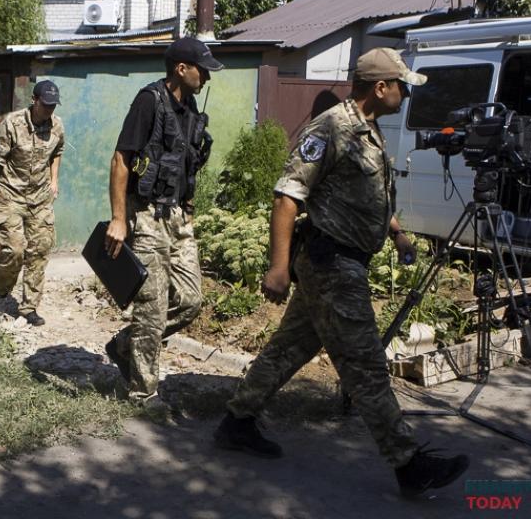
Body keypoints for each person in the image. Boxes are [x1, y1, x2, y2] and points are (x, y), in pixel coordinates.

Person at [213, 48, 470, 497]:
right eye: (402, 85)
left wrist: (396, 234)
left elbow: (366, 193)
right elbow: (286, 198)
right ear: (380, 87)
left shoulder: (368, 131)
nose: (407, 93)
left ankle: (237, 421)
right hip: (331, 265)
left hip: (340, 262)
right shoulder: (332, 127)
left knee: (288, 348)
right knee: (367, 366)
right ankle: (408, 464)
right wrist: (277, 268)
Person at [103, 37, 223, 411]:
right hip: (147, 214)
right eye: (202, 69)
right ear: (181, 68)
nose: (206, 76)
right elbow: (122, 160)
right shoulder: (149, 101)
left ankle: (127, 345)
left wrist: (189, 208)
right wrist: (119, 219)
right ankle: (143, 393)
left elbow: (186, 165)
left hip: (178, 216)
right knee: (151, 307)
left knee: (190, 301)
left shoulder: (190, 109)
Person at [0, 80, 64, 327]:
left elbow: (57, 151)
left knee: (40, 250)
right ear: (34, 101)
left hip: (40, 198)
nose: (49, 110)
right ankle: (1, 292)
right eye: (45, 105)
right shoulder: (13, 124)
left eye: (53, 106)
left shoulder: (57, 125)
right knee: (14, 250)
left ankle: (29, 307)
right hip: (11, 195)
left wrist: (54, 180)